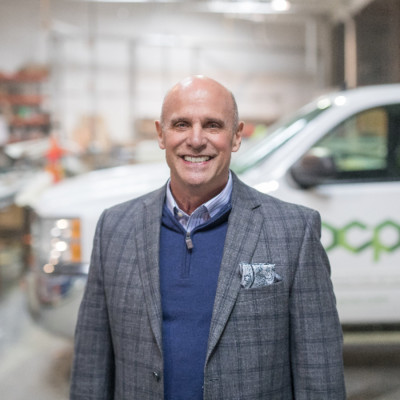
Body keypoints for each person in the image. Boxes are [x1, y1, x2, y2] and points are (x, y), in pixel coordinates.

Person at [70, 75, 346, 399]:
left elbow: (320, 370)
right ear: (161, 134)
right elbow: (91, 364)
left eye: (213, 125)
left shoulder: (293, 231)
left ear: (237, 136)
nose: (196, 139)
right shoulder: (115, 229)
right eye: (181, 124)